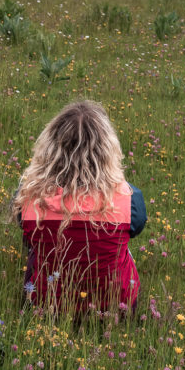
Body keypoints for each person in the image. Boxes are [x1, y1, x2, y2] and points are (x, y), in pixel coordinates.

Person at [12, 100, 146, 314]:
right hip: (114, 305)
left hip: (46, 305)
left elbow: (24, 230)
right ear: (107, 151)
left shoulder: (28, 196)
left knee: (34, 246)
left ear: (49, 149)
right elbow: (137, 228)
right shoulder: (128, 198)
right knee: (124, 244)